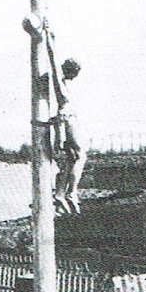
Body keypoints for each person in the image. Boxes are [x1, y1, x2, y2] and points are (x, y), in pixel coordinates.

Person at [47, 28, 87, 215]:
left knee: (72, 159)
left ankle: (62, 193)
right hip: (67, 120)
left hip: (67, 120)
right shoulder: (61, 85)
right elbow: (54, 64)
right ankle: (70, 193)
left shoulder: (65, 85)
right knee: (80, 156)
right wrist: (49, 39)